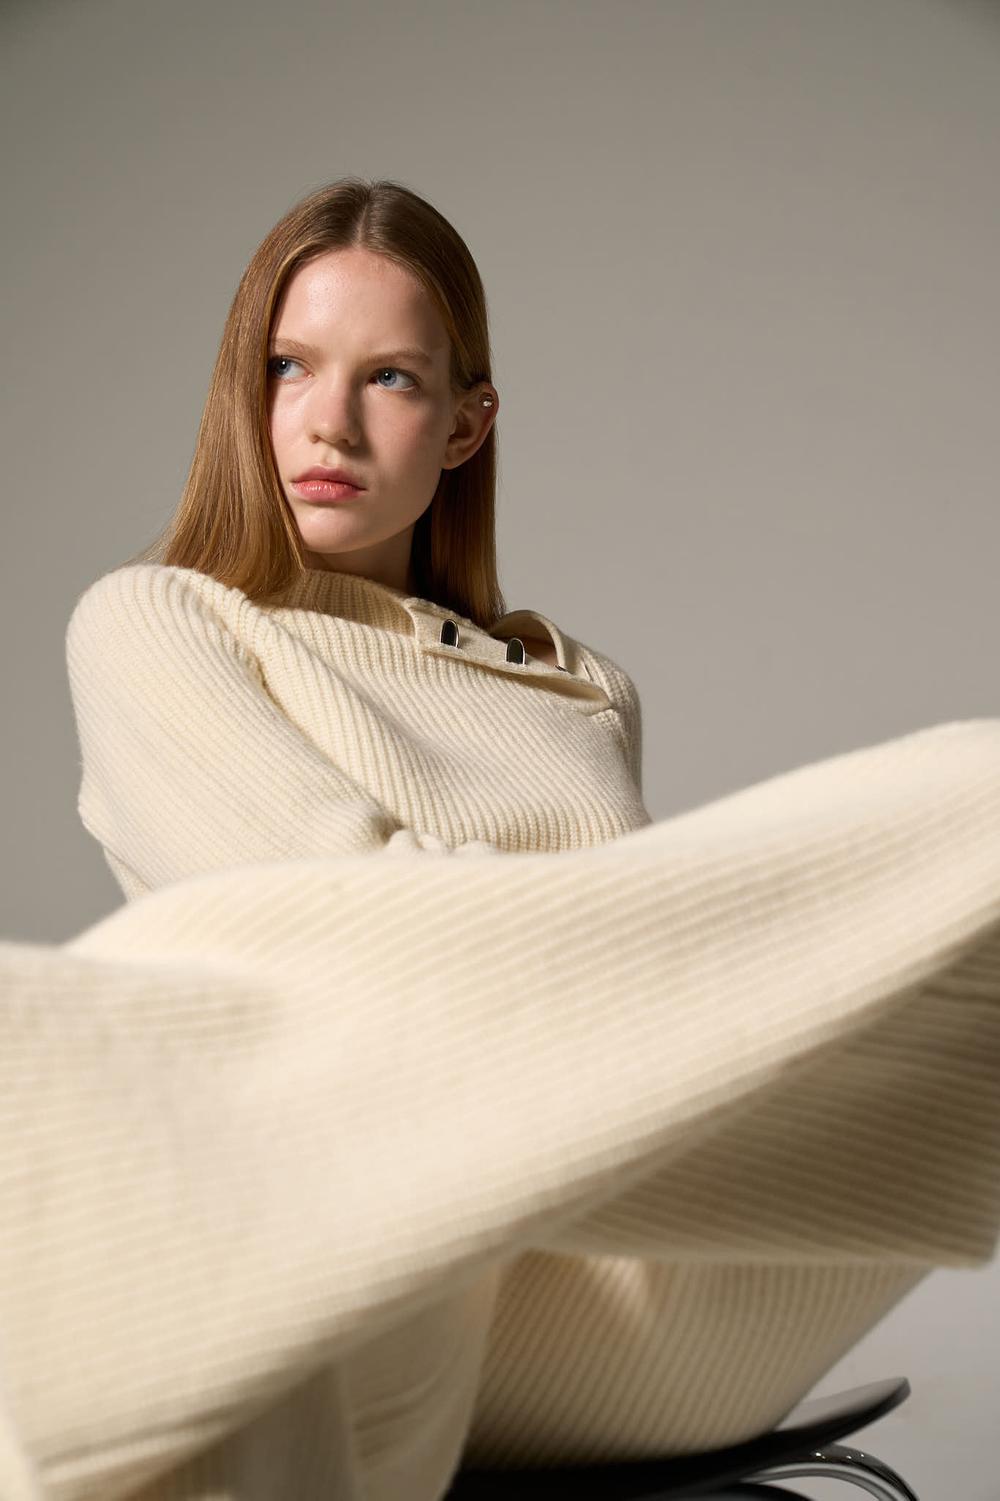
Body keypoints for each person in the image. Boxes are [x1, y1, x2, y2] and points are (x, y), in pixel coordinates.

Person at [3, 176, 1000, 1501]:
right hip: (376, 1260)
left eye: (391, 379)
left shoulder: (580, 687)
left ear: (466, 424)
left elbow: (613, 988)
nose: (327, 420)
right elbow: (343, 932)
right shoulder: (161, 622)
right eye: (289, 365)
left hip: (649, 1258)